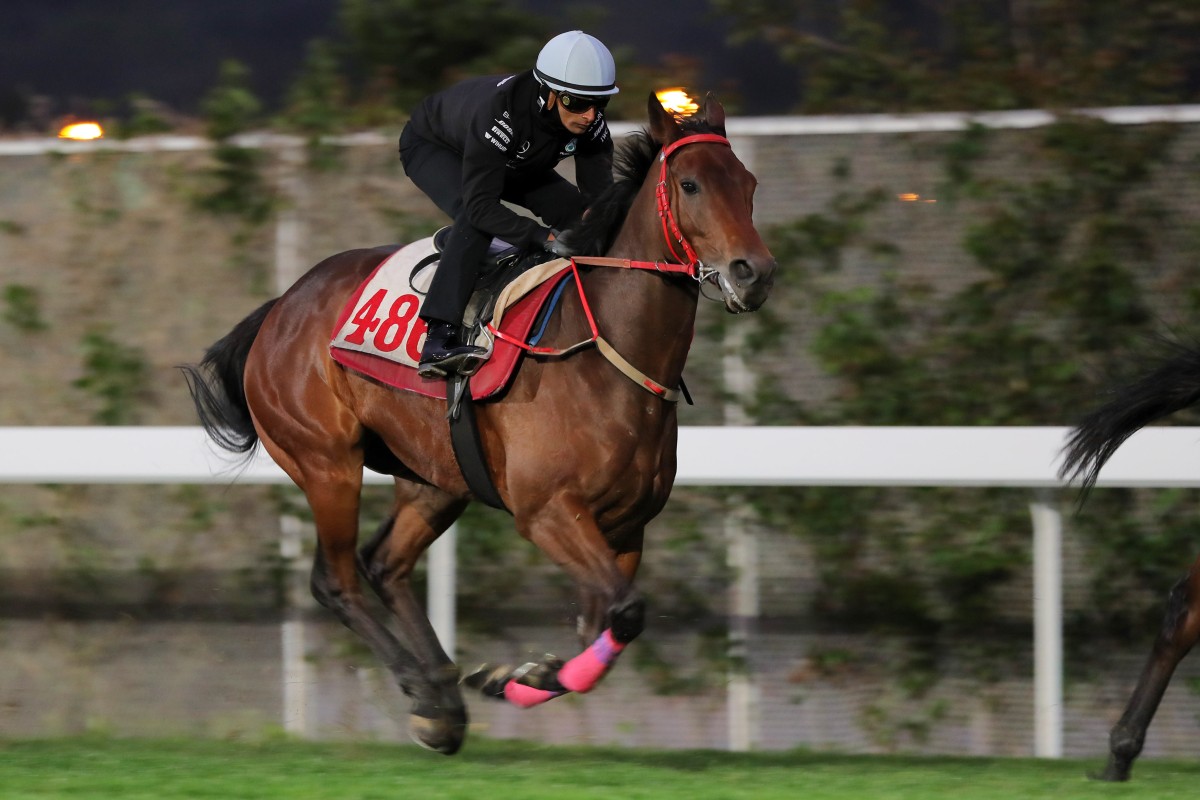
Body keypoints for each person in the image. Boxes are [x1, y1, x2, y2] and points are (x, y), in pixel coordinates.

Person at [399, 30, 619, 378]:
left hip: (514, 159)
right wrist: (543, 238)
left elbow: (600, 202)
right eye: (576, 103)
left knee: (582, 215)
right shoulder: (500, 113)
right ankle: (439, 336)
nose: (590, 116)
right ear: (548, 93)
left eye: (600, 104)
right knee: (474, 221)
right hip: (438, 148)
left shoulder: (589, 122)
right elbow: (481, 206)